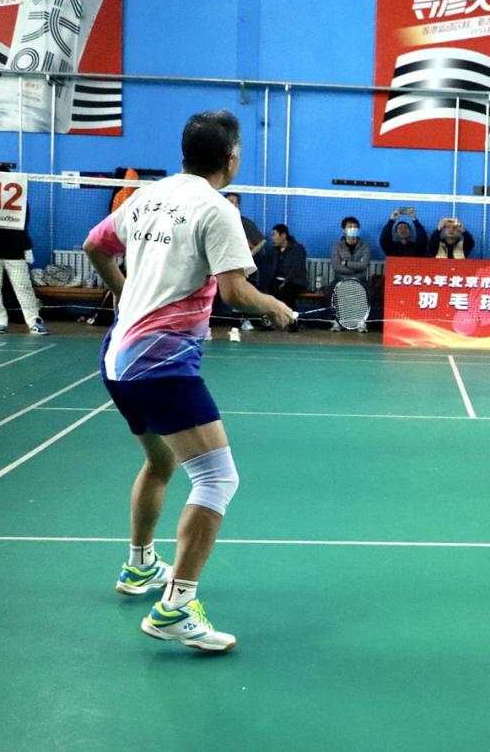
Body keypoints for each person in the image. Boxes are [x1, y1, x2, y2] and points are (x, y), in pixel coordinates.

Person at [82, 110, 293, 652]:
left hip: (116, 358)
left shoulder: (147, 196)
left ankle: (139, 566)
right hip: (160, 363)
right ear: (231, 159)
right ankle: (175, 607)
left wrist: (125, 295)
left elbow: (94, 246)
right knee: (218, 479)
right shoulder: (216, 209)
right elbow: (236, 293)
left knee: (161, 462)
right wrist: (275, 307)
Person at [0, 185, 47, 335]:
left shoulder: (20, 200)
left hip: (15, 251)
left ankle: (34, 321)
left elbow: (23, 222)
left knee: (24, 288)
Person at [223, 192, 267, 332]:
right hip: (222, 265)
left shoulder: (245, 222)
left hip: (241, 266)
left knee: (241, 294)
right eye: (229, 201)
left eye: (235, 202)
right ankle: (207, 325)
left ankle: (243, 321)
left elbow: (262, 241)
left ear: (239, 205)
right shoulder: (218, 221)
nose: (233, 204)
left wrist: (250, 254)